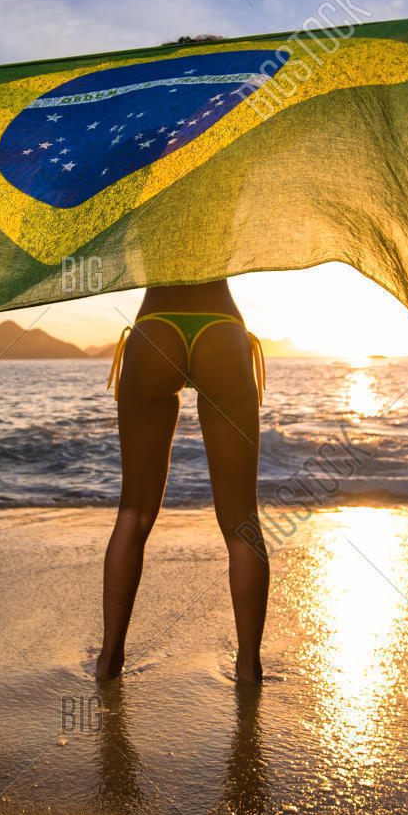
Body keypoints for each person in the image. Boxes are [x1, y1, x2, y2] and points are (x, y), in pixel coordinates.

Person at [96, 277, 269, 684]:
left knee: (133, 514)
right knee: (242, 522)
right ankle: (248, 668)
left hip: (155, 326)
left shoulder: (129, 205)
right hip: (221, 328)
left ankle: (109, 660)